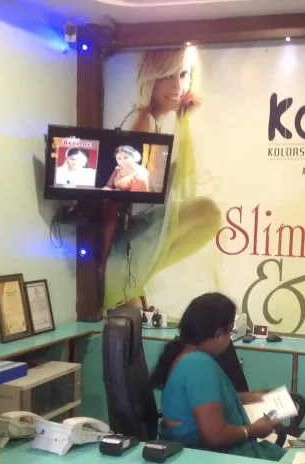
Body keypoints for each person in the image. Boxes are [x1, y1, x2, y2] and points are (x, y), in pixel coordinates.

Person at [101, 48, 221, 313]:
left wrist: (183, 118)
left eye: (183, 75)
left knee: (208, 215)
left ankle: (134, 282)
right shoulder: (142, 120)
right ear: (151, 78)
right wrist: (101, 265)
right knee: (207, 212)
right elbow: (114, 201)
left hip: (135, 237)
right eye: (167, 76)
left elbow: (176, 185)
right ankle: (127, 281)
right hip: (124, 240)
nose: (177, 86)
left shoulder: (158, 122)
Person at [151, 293, 286, 461]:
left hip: (200, 454)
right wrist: (253, 430)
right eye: (230, 332)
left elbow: (202, 402)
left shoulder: (185, 354)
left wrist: (246, 397)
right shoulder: (199, 364)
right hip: (208, 460)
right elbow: (214, 436)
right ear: (218, 333)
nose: (229, 339)